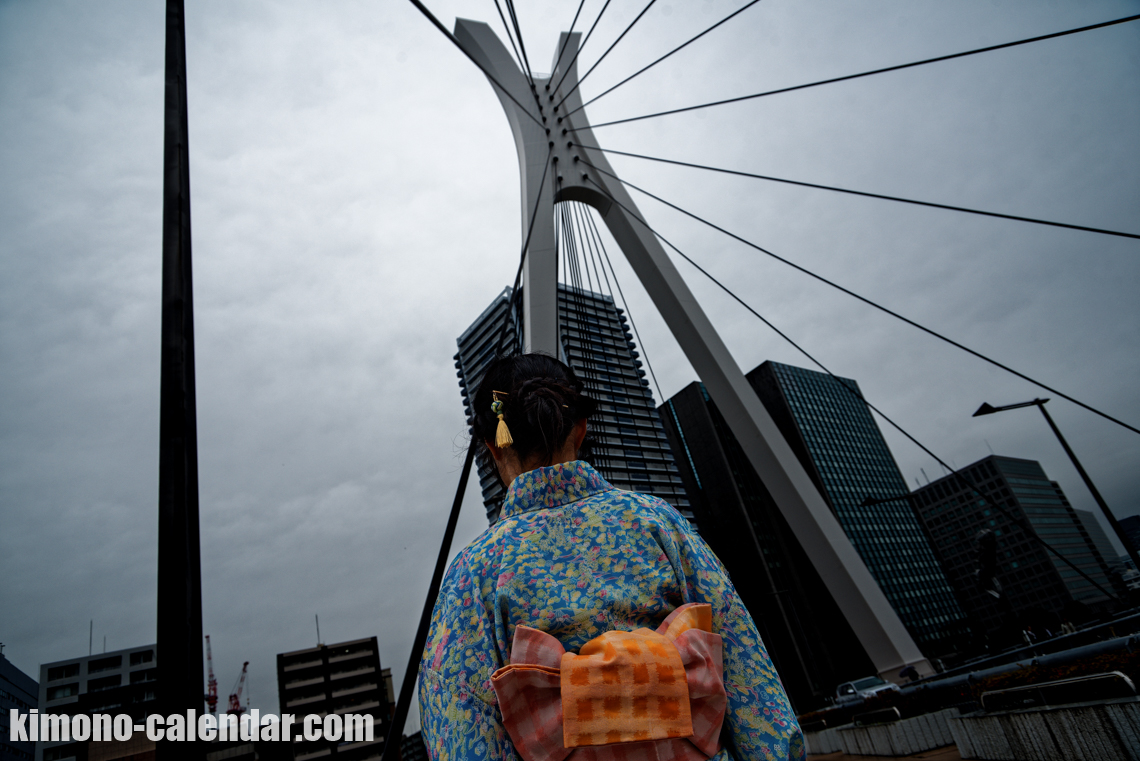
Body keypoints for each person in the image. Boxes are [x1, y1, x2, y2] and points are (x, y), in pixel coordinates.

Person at [418, 353, 804, 760]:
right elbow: (750, 679)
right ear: (581, 429)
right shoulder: (658, 522)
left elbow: (459, 722)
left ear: (492, 447)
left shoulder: (473, 571)